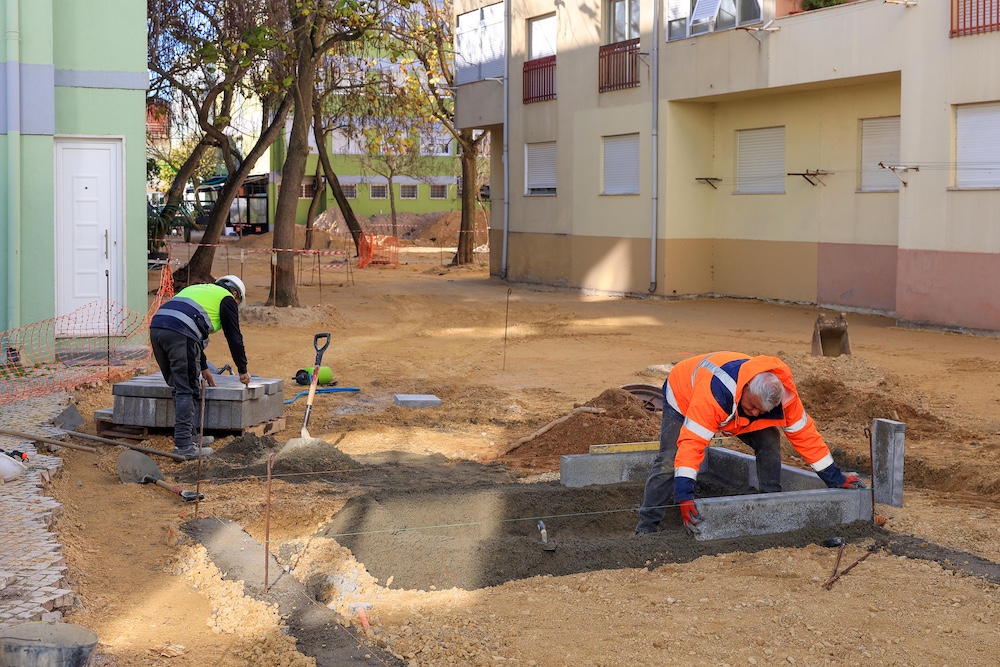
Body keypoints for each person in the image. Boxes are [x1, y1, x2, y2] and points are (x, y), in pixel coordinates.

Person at [635, 351, 864, 535]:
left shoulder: (785, 398)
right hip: (684, 392)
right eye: (752, 406)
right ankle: (647, 525)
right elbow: (692, 445)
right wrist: (685, 496)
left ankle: (771, 504)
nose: (754, 413)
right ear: (745, 388)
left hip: (732, 408)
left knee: (770, 438)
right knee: (669, 460)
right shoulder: (713, 395)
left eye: (760, 411)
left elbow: (806, 437)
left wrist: (835, 478)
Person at [149, 275, 251, 460]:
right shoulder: (227, 299)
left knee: (180, 386)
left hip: (157, 328)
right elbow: (234, 337)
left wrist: (203, 367)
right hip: (180, 332)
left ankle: (191, 436)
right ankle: (184, 446)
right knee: (186, 389)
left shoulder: (198, 289)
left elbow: (194, 331)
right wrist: (242, 370)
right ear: (235, 294)